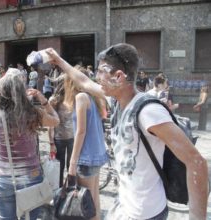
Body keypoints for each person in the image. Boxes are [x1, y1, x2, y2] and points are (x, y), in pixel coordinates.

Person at [46, 44, 208, 220]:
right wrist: (59, 61)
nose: (96, 76)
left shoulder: (148, 112)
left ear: (118, 77)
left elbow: (196, 161)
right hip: (123, 207)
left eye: (101, 71)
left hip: (145, 213)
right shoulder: (116, 100)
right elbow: (84, 82)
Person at [0, 68, 59, 220]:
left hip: (4, 180)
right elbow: (56, 120)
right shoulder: (34, 113)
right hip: (32, 177)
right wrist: (44, 101)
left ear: (1, 92)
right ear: (22, 92)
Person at [64, 67, 108, 220]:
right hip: (96, 155)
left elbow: (80, 131)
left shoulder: (81, 97)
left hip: (86, 157)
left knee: (86, 204)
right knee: (94, 200)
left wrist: (72, 162)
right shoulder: (94, 98)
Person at [48, 75, 74, 187]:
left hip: (70, 137)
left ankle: (68, 190)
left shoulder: (72, 97)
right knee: (62, 166)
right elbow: (50, 124)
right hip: (61, 138)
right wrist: (51, 143)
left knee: (70, 165)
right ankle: (63, 190)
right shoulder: (54, 100)